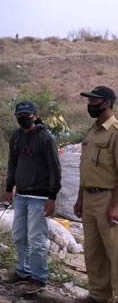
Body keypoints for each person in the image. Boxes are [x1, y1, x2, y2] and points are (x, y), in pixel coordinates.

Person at [3, 100, 61, 294]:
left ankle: (38, 278)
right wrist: (9, 186)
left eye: (26, 115)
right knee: (19, 235)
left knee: (37, 239)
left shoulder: (45, 138)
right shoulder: (16, 137)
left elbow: (55, 168)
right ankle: (24, 271)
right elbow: (13, 163)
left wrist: (52, 196)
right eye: (19, 116)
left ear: (35, 115)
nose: (23, 119)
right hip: (21, 195)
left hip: (40, 196)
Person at [74, 86, 118, 303]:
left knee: (115, 250)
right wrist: (80, 197)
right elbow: (86, 167)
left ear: (107, 103)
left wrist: (115, 206)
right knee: (93, 251)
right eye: (89, 101)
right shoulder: (91, 132)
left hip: (108, 198)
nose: (90, 105)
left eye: (94, 101)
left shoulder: (116, 131)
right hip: (89, 198)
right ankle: (99, 295)